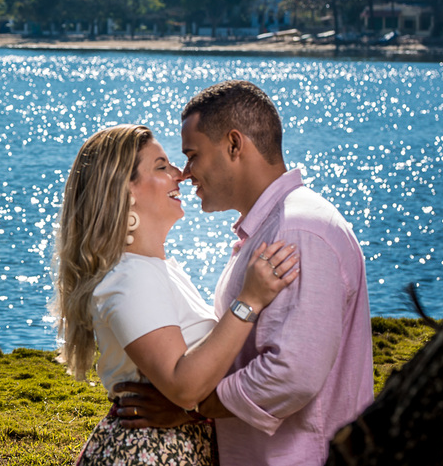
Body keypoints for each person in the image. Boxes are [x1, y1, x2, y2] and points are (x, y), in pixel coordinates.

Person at [115, 80, 374, 465]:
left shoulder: (297, 231)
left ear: (234, 145)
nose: (186, 173)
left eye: (192, 155)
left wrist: (192, 404)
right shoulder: (276, 228)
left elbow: (290, 375)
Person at [54, 124, 299, 466]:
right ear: (124, 190)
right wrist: (249, 301)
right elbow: (184, 386)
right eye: (161, 167)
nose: (180, 174)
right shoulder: (130, 277)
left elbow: (190, 387)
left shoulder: (155, 270)